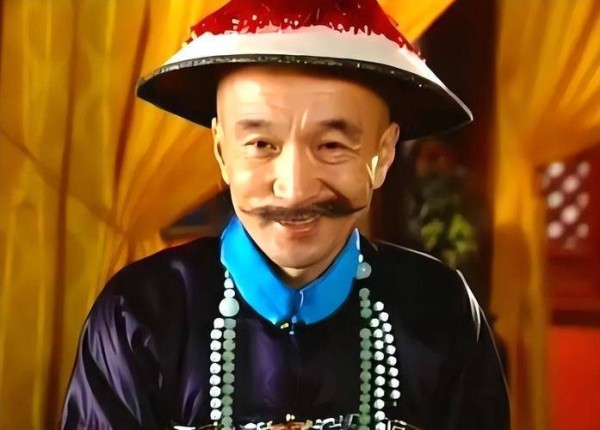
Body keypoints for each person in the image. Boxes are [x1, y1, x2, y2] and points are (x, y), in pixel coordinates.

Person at [61, 0, 509, 429]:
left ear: (384, 153)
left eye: (331, 145)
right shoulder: (138, 316)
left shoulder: (440, 311)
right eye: (260, 145)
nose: (294, 190)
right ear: (222, 151)